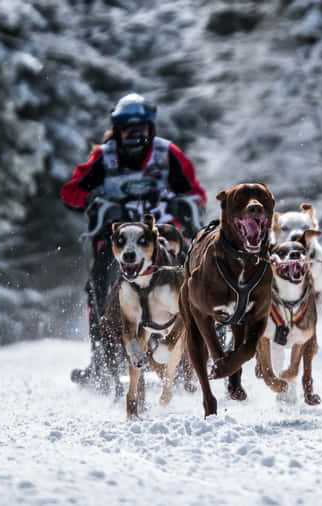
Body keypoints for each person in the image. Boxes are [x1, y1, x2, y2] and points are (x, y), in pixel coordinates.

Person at [61, 92, 207, 389]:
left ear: (150, 128)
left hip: (164, 235)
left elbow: (196, 193)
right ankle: (102, 359)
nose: (134, 133)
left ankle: (201, 348)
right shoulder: (103, 157)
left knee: (198, 274)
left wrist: (185, 205)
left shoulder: (168, 154)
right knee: (98, 284)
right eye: (127, 127)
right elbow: (70, 192)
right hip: (118, 240)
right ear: (117, 129)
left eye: (140, 127)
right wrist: (94, 198)